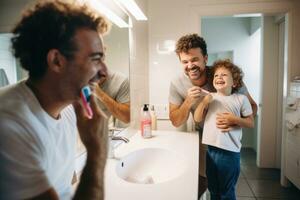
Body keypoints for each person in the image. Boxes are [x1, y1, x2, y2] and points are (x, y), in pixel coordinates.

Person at [0, 1, 111, 199]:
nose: (105, 71)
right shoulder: (8, 126)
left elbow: (67, 182)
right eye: (95, 59)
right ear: (56, 61)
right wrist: (97, 152)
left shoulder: (68, 108)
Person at [168, 33, 257, 197]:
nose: (190, 66)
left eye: (194, 60)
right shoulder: (177, 83)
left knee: (226, 187)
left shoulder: (223, 75)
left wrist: (234, 122)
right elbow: (175, 120)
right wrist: (188, 101)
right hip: (202, 139)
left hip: (227, 142)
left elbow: (252, 107)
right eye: (185, 62)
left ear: (205, 58)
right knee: (203, 185)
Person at [194, 59, 254, 200]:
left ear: (234, 82)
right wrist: (203, 102)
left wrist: (234, 120)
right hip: (211, 151)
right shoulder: (210, 97)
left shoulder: (241, 99)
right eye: (216, 75)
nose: (219, 77)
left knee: (227, 191)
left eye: (224, 75)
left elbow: (251, 123)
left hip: (229, 153)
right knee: (213, 189)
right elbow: (197, 118)